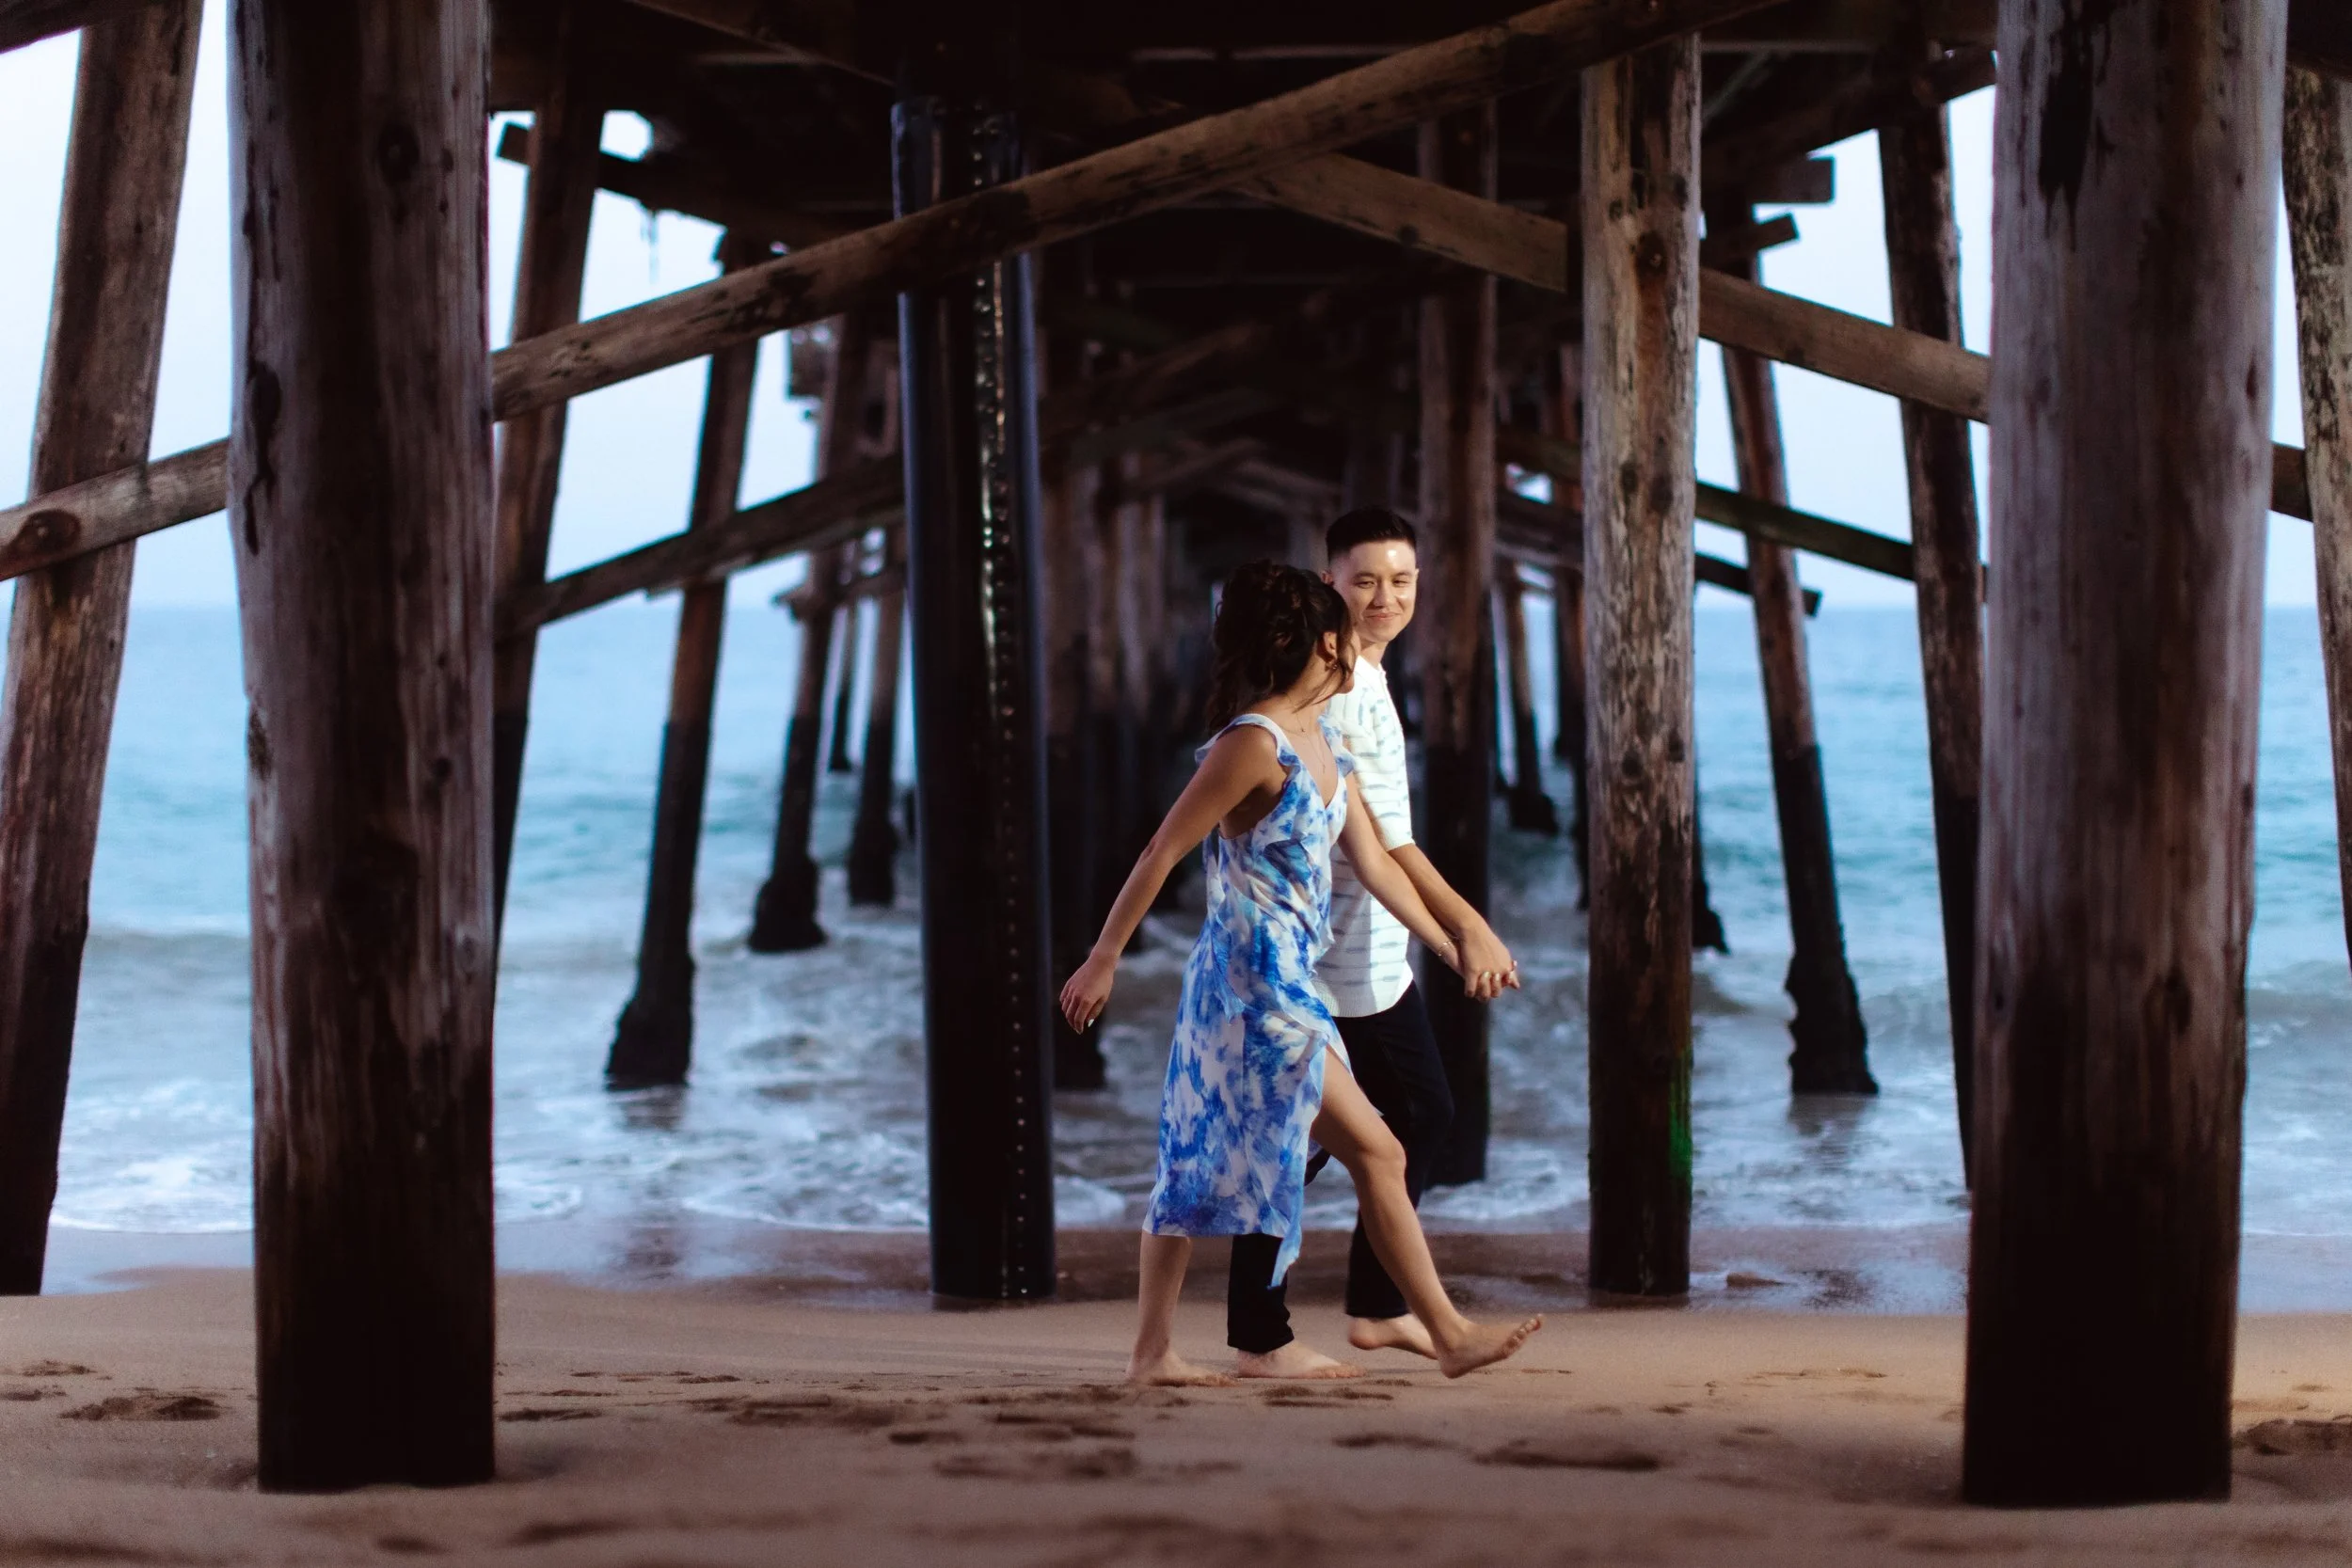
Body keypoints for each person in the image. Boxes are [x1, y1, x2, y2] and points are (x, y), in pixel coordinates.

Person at [1059, 562, 1540, 1386]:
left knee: (1206, 1159)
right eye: (1348, 629)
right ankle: (1443, 1331)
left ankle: (1160, 1353)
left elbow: (1380, 867)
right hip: (1250, 991)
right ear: (1328, 642)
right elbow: (1160, 850)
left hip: (1287, 987)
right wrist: (1104, 956)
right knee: (1372, 1152)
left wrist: (1450, 943)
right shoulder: (1252, 745)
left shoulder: (1324, 744)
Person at [1223, 505, 1522, 1380]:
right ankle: (1269, 1329)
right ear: (1331, 585)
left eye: (1400, 580)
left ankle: (1371, 1307)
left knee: (1410, 1118)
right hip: (1334, 961)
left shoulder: (1370, 675)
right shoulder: (1339, 689)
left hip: (1375, 956)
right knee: (1308, 1144)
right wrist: (1465, 928)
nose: (1385, 596)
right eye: (1365, 581)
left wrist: (1442, 935)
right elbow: (1385, 843)